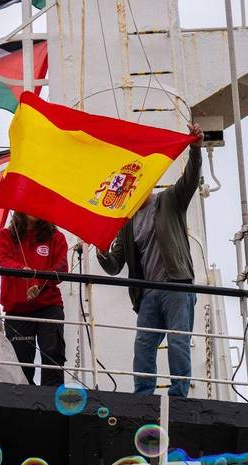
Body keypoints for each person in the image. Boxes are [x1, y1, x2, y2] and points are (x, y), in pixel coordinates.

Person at [97, 122, 204, 397]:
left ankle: (179, 394)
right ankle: (143, 394)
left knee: (178, 340)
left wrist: (195, 149)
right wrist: (101, 251)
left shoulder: (169, 200)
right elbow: (115, 264)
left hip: (176, 285)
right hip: (148, 294)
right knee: (143, 345)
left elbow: (190, 179)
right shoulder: (127, 223)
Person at [0, 211, 69, 385]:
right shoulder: (5, 236)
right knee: (20, 362)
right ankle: (23, 399)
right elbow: (3, 259)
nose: (33, 209)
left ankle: (52, 398)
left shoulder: (56, 237)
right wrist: (23, 272)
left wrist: (37, 282)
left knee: (53, 355)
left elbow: (62, 267)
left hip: (49, 306)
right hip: (17, 308)